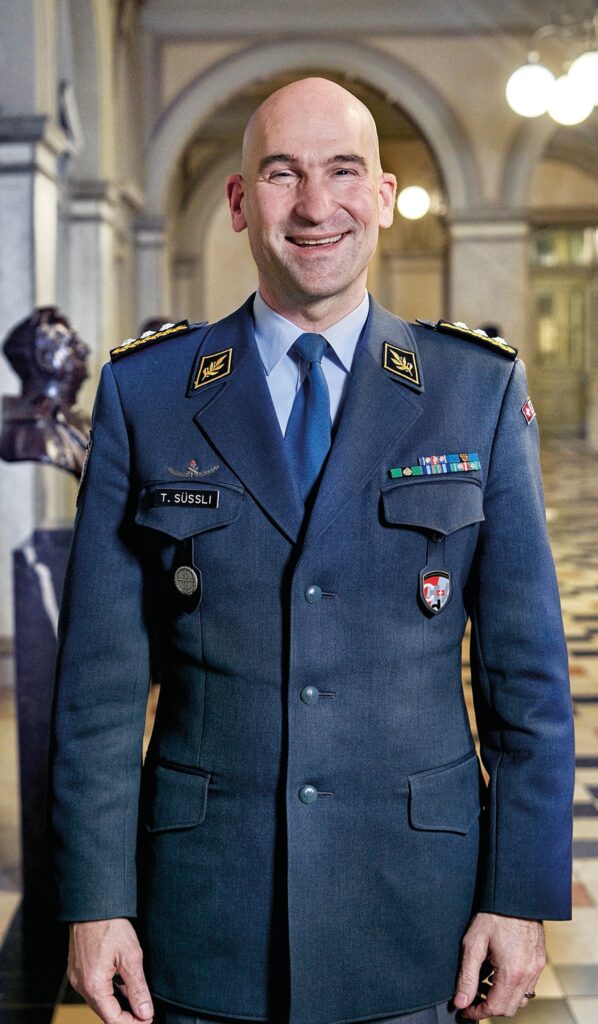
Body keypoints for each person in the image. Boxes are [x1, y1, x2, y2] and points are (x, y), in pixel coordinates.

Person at [50, 77, 574, 1024]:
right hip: (205, 912)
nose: (316, 205)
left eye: (344, 171)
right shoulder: (147, 393)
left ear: (383, 194)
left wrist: (520, 893)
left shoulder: (475, 390)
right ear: (239, 201)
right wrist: (95, 902)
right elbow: (98, 690)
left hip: (417, 910)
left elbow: (526, 678)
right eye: (282, 174)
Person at [0, 307, 90, 477]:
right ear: (46, 359)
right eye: (72, 344)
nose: (85, 350)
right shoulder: (29, 432)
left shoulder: (81, 421)